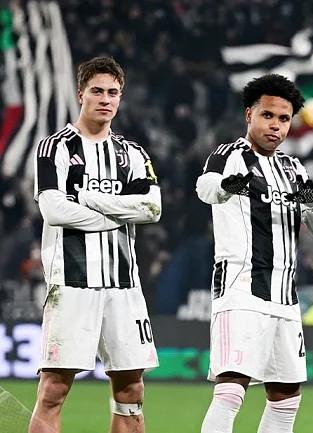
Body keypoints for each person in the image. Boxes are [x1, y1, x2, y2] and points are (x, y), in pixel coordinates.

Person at [196, 73, 313, 433]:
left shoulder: (293, 168)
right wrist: (228, 186)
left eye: (284, 119)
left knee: (286, 397)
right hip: (241, 289)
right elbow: (205, 188)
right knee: (231, 389)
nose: (275, 125)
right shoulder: (229, 155)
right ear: (250, 115)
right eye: (268, 115)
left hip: (285, 298)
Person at [31, 56, 162, 433]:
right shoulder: (54, 148)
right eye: (97, 91)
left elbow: (152, 209)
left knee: (131, 389)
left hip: (124, 287)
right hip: (72, 283)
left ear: (121, 97)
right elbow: (54, 209)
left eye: (113, 92)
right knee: (54, 389)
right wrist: (119, 213)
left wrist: (89, 199)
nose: (105, 99)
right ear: (81, 94)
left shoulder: (132, 153)